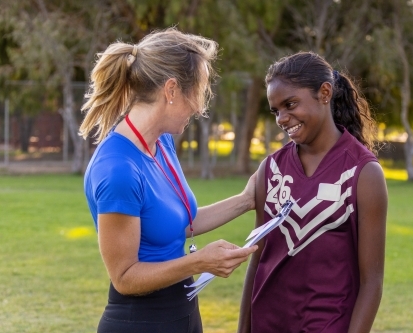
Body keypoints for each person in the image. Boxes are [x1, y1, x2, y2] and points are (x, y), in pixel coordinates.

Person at [79, 28, 258, 333]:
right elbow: (125, 277)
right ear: (172, 90)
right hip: (142, 321)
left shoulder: (162, 144)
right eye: (198, 92)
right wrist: (199, 262)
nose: (200, 108)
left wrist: (247, 200)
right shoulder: (118, 169)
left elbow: (180, 222)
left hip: (182, 311)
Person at [238, 51, 388, 333]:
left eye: (290, 104)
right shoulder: (270, 170)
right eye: (275, 110)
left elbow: (372, 282)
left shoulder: (363, 173)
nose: (282, 118)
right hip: (267, 323)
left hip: (329, 324)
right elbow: (257, 258)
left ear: (325, 93)